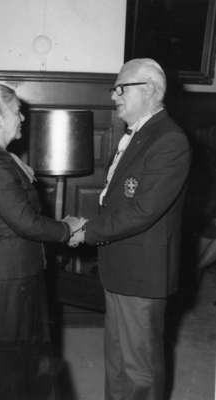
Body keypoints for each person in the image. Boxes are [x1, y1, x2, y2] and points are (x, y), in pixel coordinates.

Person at [67, 58, 191, 400]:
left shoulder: (169, 140)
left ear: (150, 90)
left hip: (142, 273)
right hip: (121, 266)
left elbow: (141, 211)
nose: (114, 96)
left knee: (139, 368)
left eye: (122, 88)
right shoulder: (137, 134)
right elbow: (116, 199)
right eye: (114, 89)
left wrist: (87, 231)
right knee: (118, 361)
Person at [0, 82, 83, 342]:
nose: (22, 117)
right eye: (17, 111)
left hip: (2, 270)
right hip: (5, 276)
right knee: (7, 359)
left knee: (9, 358)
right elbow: (26, 223)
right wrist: (67, 227)